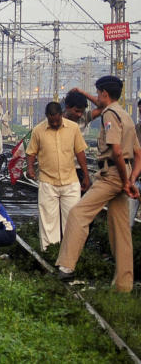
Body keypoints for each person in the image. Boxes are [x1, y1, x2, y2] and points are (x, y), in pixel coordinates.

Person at [57, 76, 138, 292]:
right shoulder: (126, 116)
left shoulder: (110, 114)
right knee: (120, 231)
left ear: (103, 93)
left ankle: (66, 267)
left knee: (78, 214)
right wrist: (130, 180)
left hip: (112, 174)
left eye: (98, 93)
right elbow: (138, 154)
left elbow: (117, 151)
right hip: (124, 175)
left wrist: (123, 180)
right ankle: (124, 285)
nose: (97, 98)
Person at [25, 102, 90, 250]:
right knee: (48, 221)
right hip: (48, 182)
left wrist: (86, 175)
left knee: (72, 221)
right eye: (51, 120)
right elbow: (31, 152)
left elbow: (80, 152)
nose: (54, 123)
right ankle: (50, 253)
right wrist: (30, 168)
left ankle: (70, 257)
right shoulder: (38, 130)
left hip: (70, 181)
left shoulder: (73, 128)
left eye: (57, 120)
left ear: (61, 115)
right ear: (46, 116)